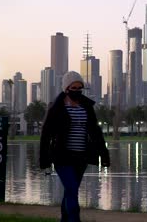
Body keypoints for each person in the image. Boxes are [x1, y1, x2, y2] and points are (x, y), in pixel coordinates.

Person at [40, 71, 110, 222]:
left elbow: (96, 132)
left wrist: (104, 155)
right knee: (72, 190)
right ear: (66, 88)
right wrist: (44, 161)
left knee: (70, 192)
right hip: (62, 157)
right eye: (74, 87)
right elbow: (45, 134)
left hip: (81, 157)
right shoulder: (56, 107)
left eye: (80, 88)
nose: (77, 91)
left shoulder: (86, 106)